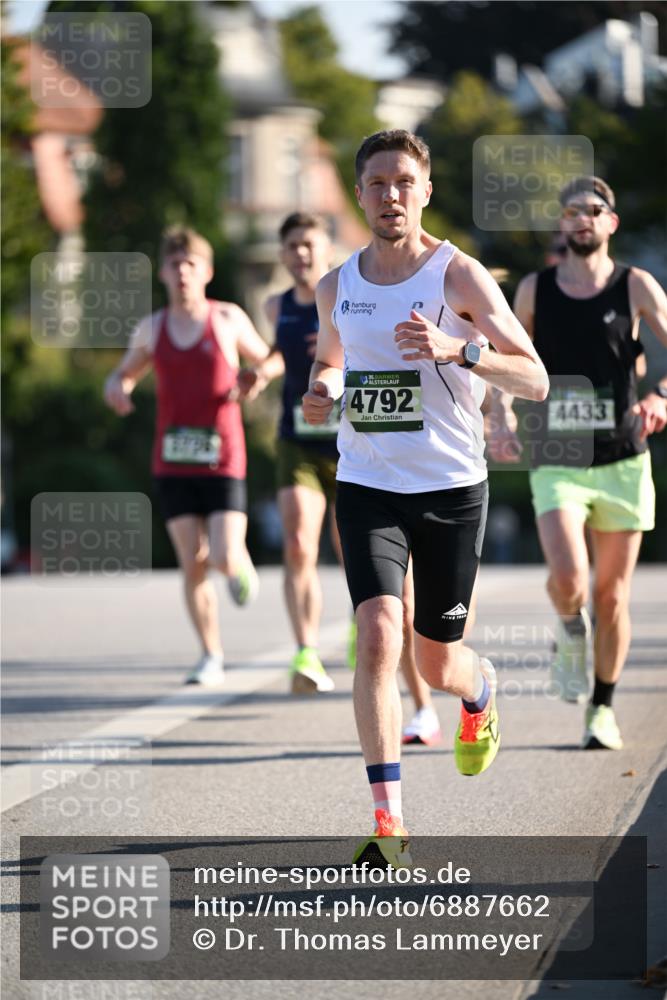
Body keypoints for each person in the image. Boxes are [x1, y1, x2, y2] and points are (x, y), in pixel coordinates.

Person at [302, 129, 548, 845]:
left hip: (448, 486)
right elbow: (331, 363)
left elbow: (531, 376)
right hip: (367, 481)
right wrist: (321, 392)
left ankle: (478, 688)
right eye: (376, 183)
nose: (390, 195)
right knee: (378, 635)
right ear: (358, 193)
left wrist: (459, 349)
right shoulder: (335, 284)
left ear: (425, 191)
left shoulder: (457, 276)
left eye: (403, 182)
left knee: (435, 659)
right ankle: (388, 824)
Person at [493, 175, 666, 750]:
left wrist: (659, 396)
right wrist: (501, 414)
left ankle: (601, 707)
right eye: (572, 211)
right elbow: (505, 359)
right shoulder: (534, 290)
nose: (583, 219)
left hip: (622, 457)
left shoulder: (635, 285)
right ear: (562, 225)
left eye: (594, 210)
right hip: (557, 456)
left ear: (610, 223)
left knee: (613, 596)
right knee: (569, 578)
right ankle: (571, 627)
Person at [104, 226, 270, 686]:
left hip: (224, 457)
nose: (182, 273)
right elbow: (124, 373)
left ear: (207, 272)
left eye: (191, 264)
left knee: (219, 554)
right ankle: (210, 654)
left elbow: (266, 359)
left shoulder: (228, 319)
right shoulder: (151, 328)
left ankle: (237, 562)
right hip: (172, 461)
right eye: (175, 264)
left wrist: (255, 376)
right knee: (191, 562)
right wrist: (117, 386)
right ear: (162, 271)